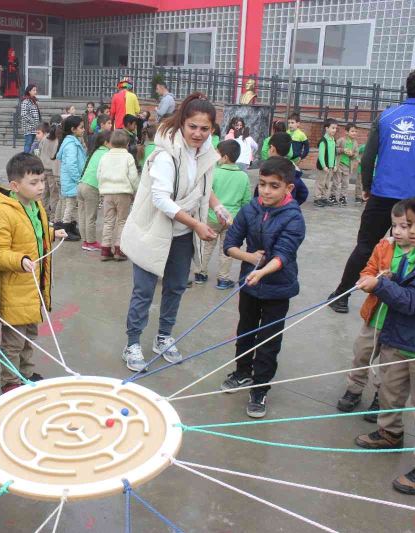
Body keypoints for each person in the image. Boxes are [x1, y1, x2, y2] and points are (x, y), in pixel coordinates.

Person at [119, 93, 225, 371]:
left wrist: (218, 206)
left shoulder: (204, 153)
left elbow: (203, 183)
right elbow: (161, 200)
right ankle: (132, 343)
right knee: (143, 291)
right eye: (193, 127)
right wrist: (198, 225)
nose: (198, 133)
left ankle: (163, 337)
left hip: (181, 236)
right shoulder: (166, 155)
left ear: (212, 129)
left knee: (176, 288)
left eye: (205, 128)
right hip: (153, 231)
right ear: (182, 124)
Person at [328, 67, 415, 313]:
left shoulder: (386, 116)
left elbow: (367, 158)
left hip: (382, 194)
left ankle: (341, 296)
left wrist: (366, 187)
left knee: (365, 246)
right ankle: (407, 300)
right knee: (414, 249)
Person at [355, 192, 415, 495]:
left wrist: (383, 285)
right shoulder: (414, 254)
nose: (410, 231)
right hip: (399, 339)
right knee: (390, 390)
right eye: (408, 224)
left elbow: (414, 301)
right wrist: (389, 279)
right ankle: (390, 432)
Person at [221, 156, 306, 418]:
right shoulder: (250, 209)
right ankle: (243, 372)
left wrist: (261, 271)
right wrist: (250, 259)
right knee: (245, 330)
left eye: (274, 186)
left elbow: (283, 254)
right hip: (249, 284)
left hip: (277, 288)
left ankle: (260, 388)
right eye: (262, 184)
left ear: (288, 188)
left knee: (268, 339)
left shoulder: (294, 218)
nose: (266, 191)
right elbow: (230, 244)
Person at [0, 154, 68, 394]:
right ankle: (10, 381)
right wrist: (18, 260)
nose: (40, 186)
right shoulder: (3, 212)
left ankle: (26, 373)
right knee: (14, 341)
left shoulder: (34, 204)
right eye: (33, 182)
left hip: (33, 287)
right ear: (15, 185)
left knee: (30, 336)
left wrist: (52, 233)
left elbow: (33, 233)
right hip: (14, 288)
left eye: (42, 180)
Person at [336, 201, 412, 421]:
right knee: (362, 354)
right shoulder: (384, 246)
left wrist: (393, 281)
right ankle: (354, 389)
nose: (397, 231)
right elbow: (368, 269)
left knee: (389, 365)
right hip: (374, 317)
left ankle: (381, 397)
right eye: (394, 225)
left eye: (405, 226)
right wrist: (367, 279)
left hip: (397, 324)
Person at [195, 140, 251, 289]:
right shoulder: (244, 177)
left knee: (206, 246)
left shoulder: (214, 173)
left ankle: (200, 273)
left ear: (225, 157)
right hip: (232, 220)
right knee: (227, 249)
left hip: (212, 216)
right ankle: (223, 279)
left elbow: (205, 194)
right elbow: (246, 201)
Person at [97, 130, 139, 262]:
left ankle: (105, 249)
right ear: (127, 143)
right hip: (123, 193)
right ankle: (119, 250)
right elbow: (133, 177)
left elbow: (99, 174)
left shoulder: (104, 156)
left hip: (107, 193)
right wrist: (135, 190)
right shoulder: (128, 157)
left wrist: (102, 187)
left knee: (108, 221)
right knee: (122, 221)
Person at [254, 132, 309, 205]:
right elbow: (303, 193)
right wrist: (292, 204)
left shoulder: (269, 168)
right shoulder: (291, 169)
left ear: (272, 148)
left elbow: (257, 196)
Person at [79, 130, 111, 252]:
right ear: (106, 142)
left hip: (81, 184)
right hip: (91, 187)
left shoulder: (96, 151)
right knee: (91, 216)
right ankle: (90, 242)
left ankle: (85, 240)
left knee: (82, 215)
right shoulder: (107, 154)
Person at [56, 116, 87, 241]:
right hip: (72, 180)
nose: (84, 130)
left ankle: (71, 226)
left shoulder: (72, 141)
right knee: (69, 206)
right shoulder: (71, 145)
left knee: (72, 205)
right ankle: (66, 229)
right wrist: (78, 179)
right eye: (81, 127)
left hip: (71, 180)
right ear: (73, 129)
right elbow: (71, 164)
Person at [332, 123, 359, 207]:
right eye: (352, 131)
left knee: (346, 183)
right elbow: (334, 149)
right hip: (339, 164)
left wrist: (352, 154)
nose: (354, 133)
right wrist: (343, 150)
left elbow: (356, 154)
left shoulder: (355, 143)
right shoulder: (341, 140)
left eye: (355, 131)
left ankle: (343, 197)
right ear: (347, 132)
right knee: (336, 181)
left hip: (348, 166)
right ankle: (332, 196)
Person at [314, 118, 339, 207]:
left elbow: (335, 154)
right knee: (320, 182)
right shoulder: (323, 141)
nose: (334, 130)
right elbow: (321, 155)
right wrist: (324, 166)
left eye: (336, 128)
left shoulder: (333, 140)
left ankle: (324, 198)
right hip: (323, 167)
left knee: (327, 183)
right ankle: (317, 198)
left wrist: (335, 164)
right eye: (333, 128)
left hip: (331, 167)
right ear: (326, 128)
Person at [39, 123, 60, 220]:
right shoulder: (57, 141)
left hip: (43, 168)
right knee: (54, 195)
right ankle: (53, 216)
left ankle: (44, 214)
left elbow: (39, 150)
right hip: (52, 171)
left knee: (44, 193)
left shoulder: (44, 139)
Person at [20, 84, 41, 154]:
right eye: (34, 90)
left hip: (34, 126)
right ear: (29, 91)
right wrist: (33, 122)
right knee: (28, 142)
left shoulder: (33, 100)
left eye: (36, 90)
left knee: (31, 142)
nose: (35, 92)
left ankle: (28, 156)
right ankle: (25, 157)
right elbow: (24, 114)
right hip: (28, 126)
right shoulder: (26, 101)